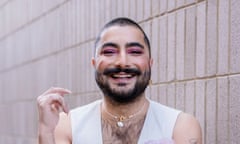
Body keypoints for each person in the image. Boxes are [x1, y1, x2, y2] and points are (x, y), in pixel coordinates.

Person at [37, 17, 202, 144]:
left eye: (135, 52)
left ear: (150, 64)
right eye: (109, 52)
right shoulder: (67, 126)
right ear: (94, 64)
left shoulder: (180, 126)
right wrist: (46, 132)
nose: (122, 62)